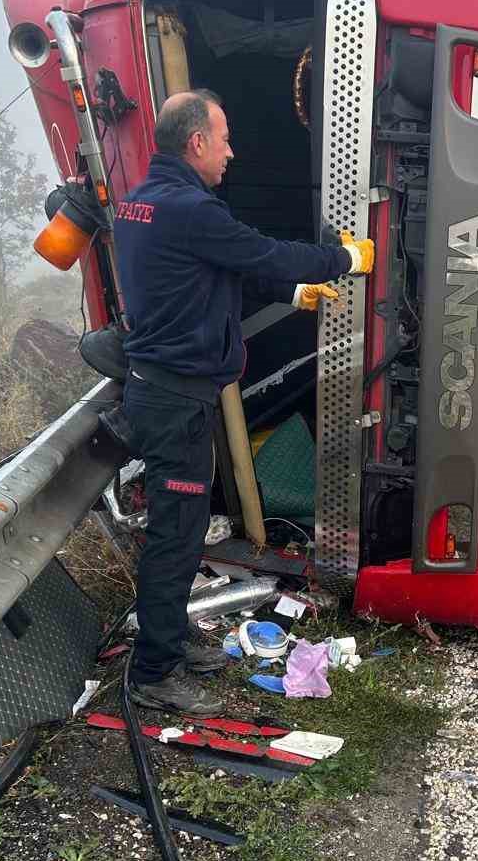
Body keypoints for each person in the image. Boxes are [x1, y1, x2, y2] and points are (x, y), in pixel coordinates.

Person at [113, 88, 373, 716]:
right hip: (175, 401)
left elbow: (226, 271)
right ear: (196, 142)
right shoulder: (190, 210)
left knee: (184, 531)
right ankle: (154, 673)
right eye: (224, 139)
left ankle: (171, 643)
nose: (231, 152)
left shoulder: (145, 203)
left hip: (166, 392)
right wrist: (341, 259)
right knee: (177, 538)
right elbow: (261, 252)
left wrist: (296, 291)